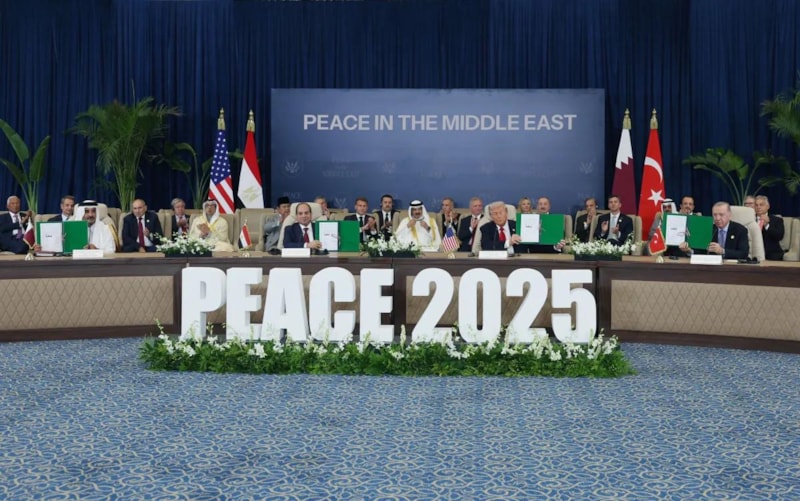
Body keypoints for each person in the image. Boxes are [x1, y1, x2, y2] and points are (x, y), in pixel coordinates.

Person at [678, 201, 749, 259]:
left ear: (729, 215)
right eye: (715, 215)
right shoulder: (710, 229)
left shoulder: (740, 230)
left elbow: (743, 253)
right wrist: (689, 251)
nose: (717, 218)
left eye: (721, 215)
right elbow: (701, 251)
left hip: (732, 268)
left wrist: (722, 251)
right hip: (711, 268)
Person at [754, 195, 784, 260]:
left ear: (768, 206)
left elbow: (779, 236)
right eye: (756, 205)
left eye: (761, 205)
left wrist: (767, 225)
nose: (758, 207)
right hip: (753, 252)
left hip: (772, 254)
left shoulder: (777, 220)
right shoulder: (750, 220)